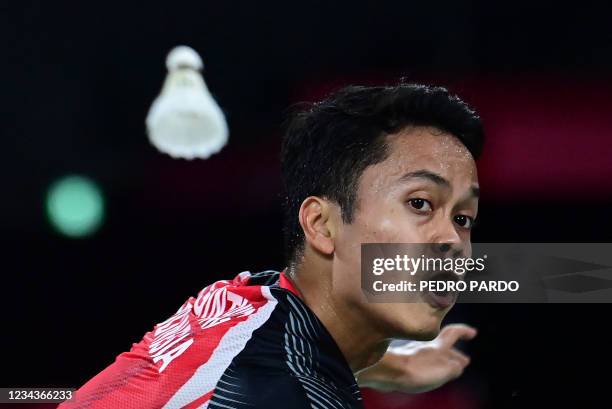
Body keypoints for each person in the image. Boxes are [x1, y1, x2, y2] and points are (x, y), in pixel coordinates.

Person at [60, 83, 482, 409]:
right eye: (420, 203)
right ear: (321, 224)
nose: (452, 241)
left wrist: (393, 368)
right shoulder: (282, 395)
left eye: (463, 219)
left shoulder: (244, 299)